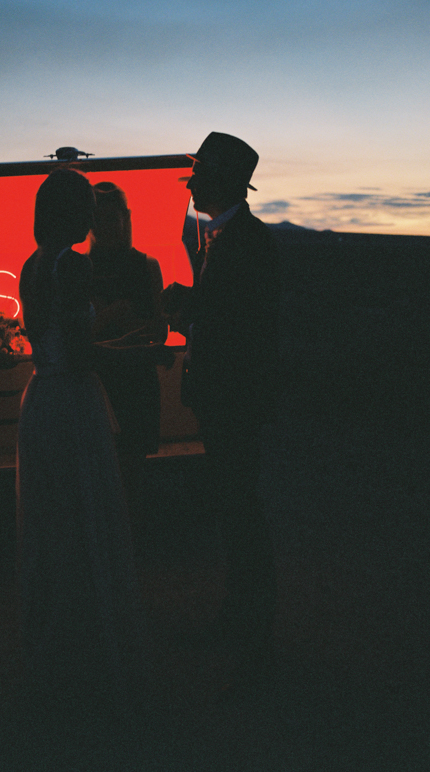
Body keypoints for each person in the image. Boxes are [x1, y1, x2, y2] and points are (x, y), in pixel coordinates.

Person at [16, 167, 169, 723]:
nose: (93, 218)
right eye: (86, 206)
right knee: (90, 519)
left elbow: (56, 344)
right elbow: (84, 354)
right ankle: (90, 650)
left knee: (54, 522)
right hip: (75, 403)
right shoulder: (73, 266)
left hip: (41, 400)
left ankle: (55, 642)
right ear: (72, 213)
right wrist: (137, 354)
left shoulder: (32, 265)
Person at [162, 132, 280, 698]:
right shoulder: (227, 238)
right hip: (229, 398)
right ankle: (243, 623)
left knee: (241, 512)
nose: (190, 183)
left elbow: (239, 327)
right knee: (237, 511)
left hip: (234, 399)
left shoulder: (245, 242)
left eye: (199, 175)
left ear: (225, 182)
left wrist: (183, 308)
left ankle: (254, 639)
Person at [88, 182, 168, 528]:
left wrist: (122, 319)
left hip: (134, 384)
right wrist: (113, 316)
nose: (108, 225)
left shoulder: (147, 265)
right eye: (100, 218)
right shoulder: (78, 269)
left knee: (133, 468)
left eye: (113, 217)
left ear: (126, 218)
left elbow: (160, 328)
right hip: (96, 384)